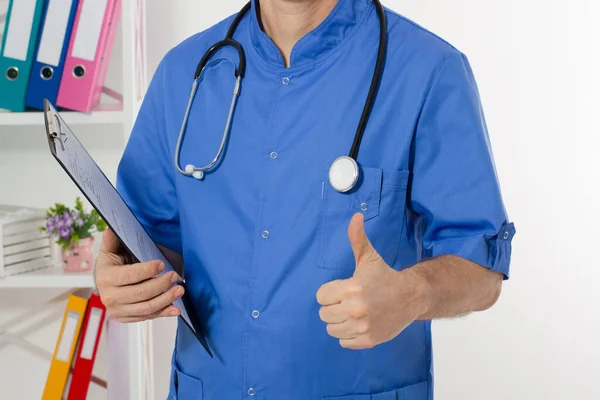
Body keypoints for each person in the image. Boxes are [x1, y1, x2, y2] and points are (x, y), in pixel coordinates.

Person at [94, 0, 516, 399]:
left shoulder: (427, 70)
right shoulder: (184, 73)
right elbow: (149, 242)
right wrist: (123, 277)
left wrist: (411, 293)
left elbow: (481, 269)